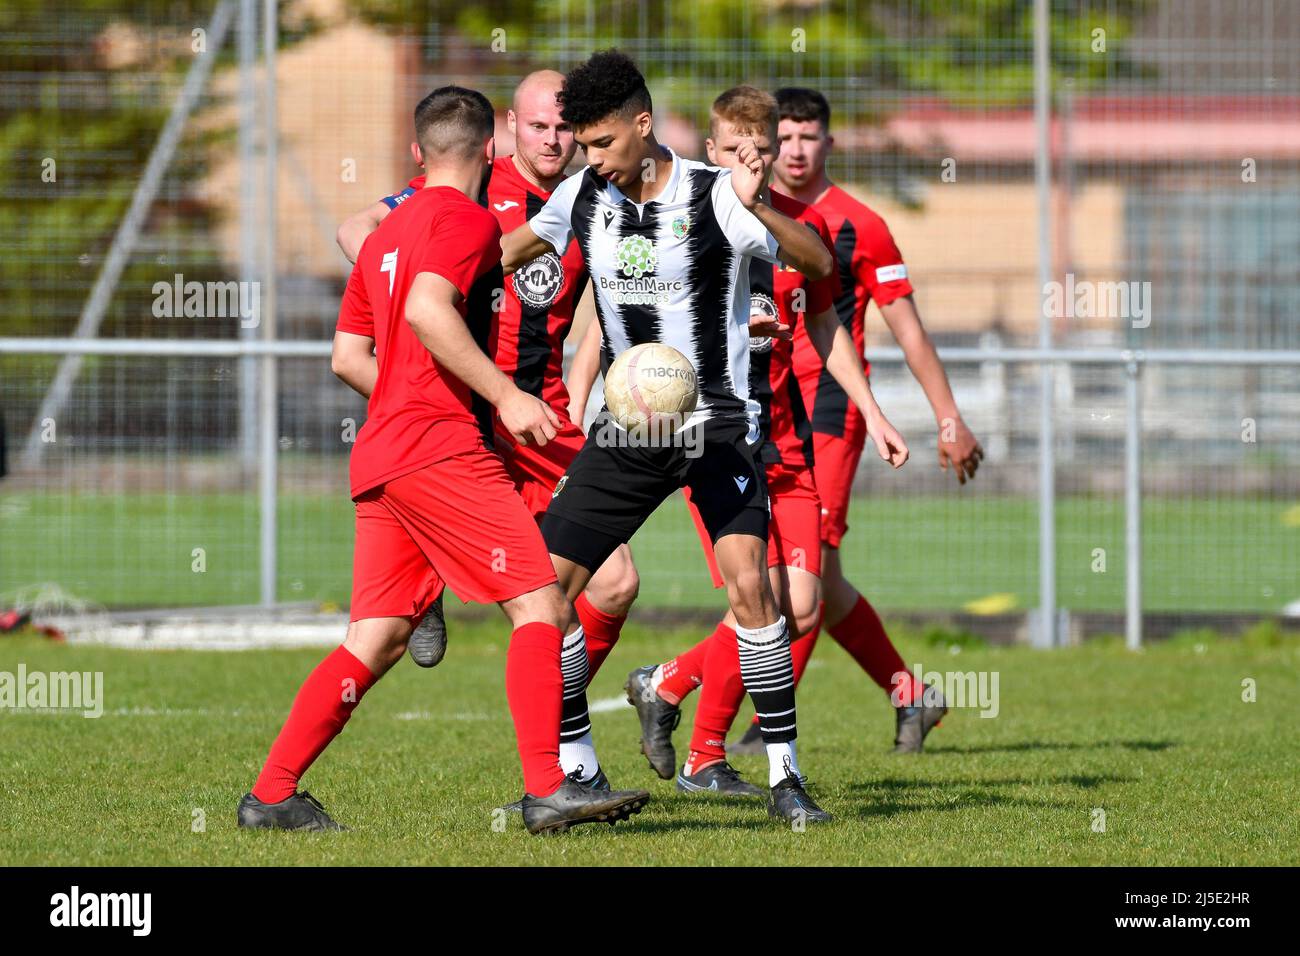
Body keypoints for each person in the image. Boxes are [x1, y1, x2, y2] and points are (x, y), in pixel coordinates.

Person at [502, 50, 901, 823]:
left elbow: (816, 262)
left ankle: (786, 779)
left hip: (718, 428)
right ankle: (575, 763)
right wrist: (434, 256)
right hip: (626, 431)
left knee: (756, 592)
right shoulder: (584, 193)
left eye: (603, 144)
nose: (591, 161)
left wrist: (758, 208)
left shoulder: (715, 194)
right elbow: (511, 250)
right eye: (582, 146)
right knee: (544, 597)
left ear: (643, 126)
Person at [239, 86, 648, 836]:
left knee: (376, 638)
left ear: (416, 154)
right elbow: (430, 311)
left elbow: (347, 356)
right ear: (491, 150)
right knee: (540, 605)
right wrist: (505, 396)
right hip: (441, 448)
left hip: (381, 456)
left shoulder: (388, 235)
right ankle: (551, 786)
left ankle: (271, 794)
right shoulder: (464, 219)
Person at [335, 72, 641, 678]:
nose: (552, 141)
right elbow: (359, 230)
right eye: (538, 127)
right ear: (508, 127)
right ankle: (435, 590)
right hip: (466, 410)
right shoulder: (472, 185)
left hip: (540, 415)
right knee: (517, 602)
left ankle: (560, 716)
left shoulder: (592, 199)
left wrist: (580, 390)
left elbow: (611, 310)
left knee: (614, 583)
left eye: (563, 130)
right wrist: (401, 294)